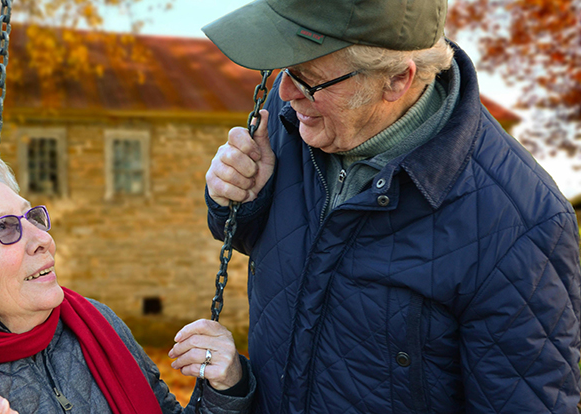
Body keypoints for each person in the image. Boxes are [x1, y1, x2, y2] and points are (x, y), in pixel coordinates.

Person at [202, 0, 581, 412]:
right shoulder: (295, 115)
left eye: (307, 78)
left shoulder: (521, 223)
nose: (286, 92)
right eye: (283, 70)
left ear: (397, 79)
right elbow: (263, 244)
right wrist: (238, 202)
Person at [0, 148, 255, 414]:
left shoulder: (96, 325)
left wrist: (225, 388)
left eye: (33, 218)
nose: (43, 239)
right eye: (5, 229)